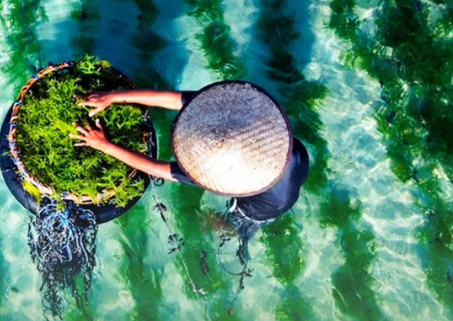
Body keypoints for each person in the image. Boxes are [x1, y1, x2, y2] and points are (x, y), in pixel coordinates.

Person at [71, 81, 310, 228]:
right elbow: (170, 98)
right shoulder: (286, 144)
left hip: (266, 207)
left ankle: (222, 227)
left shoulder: (234, 118)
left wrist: (104, 145)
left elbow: (154, 168)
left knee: (235, 224)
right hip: (296, 168)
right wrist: (112, 97)